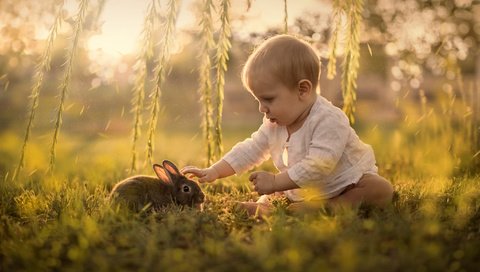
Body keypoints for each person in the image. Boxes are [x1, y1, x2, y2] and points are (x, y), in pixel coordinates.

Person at [182, 34, 393, 217]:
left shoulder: (329, 119)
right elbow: (251, 149)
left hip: (343, 185)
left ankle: (330, 207)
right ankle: (264, 208)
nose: (262, 109)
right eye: (258, 101)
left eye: (268, 99)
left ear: (302, 90)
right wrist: (215, 171)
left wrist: (275, 182)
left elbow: (319, 165)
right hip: (299, 189)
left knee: (379, 188)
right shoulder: (275, 123)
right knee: (273, 195)